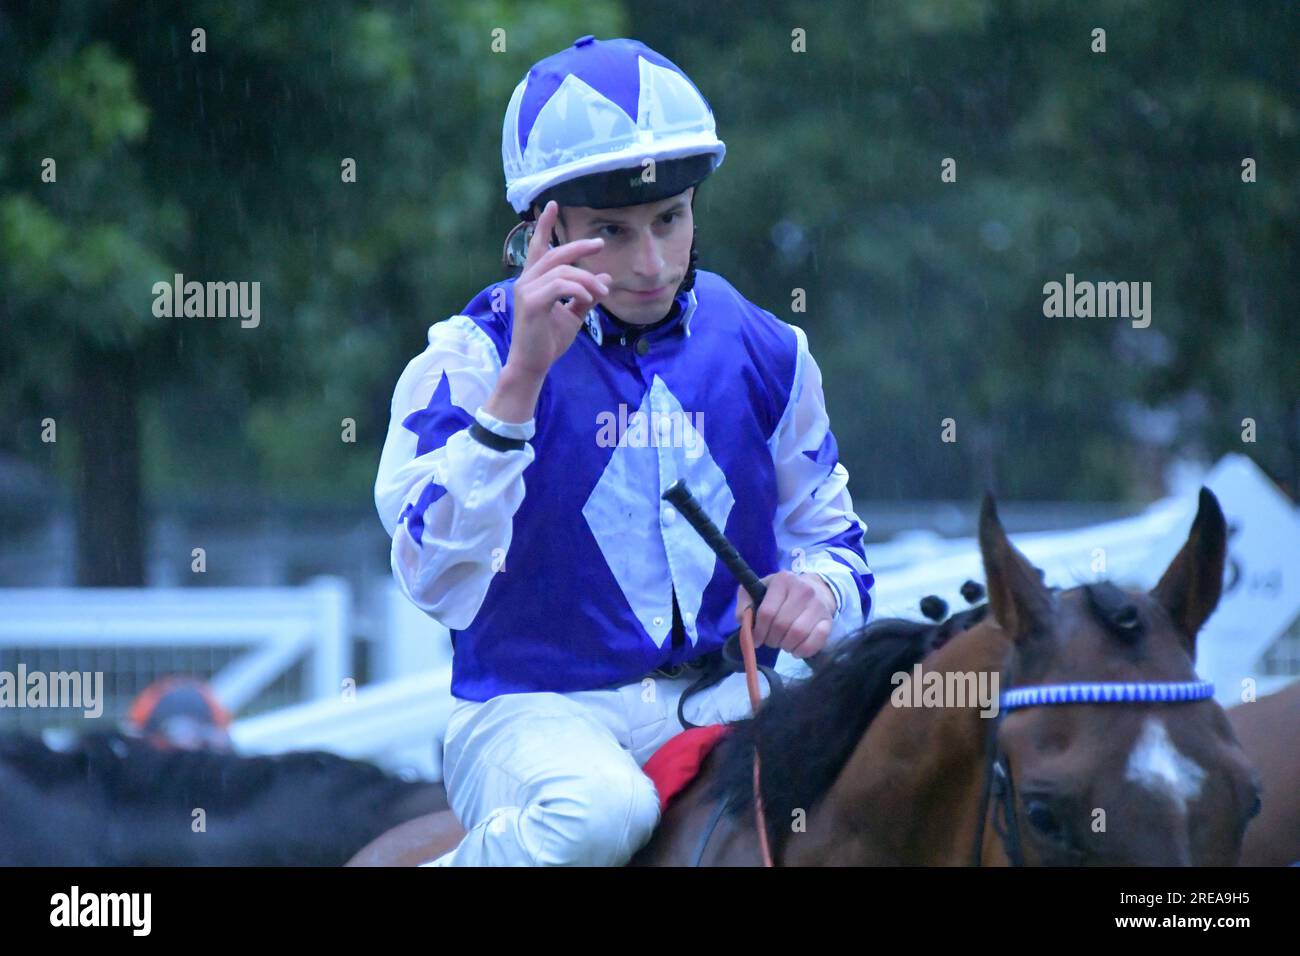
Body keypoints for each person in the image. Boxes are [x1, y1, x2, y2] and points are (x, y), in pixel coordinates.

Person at [374, 35, 875, 866]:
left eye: (669, 220)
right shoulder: (464, 361)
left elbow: (839, 543)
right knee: (603, 813)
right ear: (547, 229)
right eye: (611, 230)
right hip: (532, 712)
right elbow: (432, 576)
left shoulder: (769, 349)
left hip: (728, 698)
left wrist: (817, 591)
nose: (651, 264)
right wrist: (524, 379)